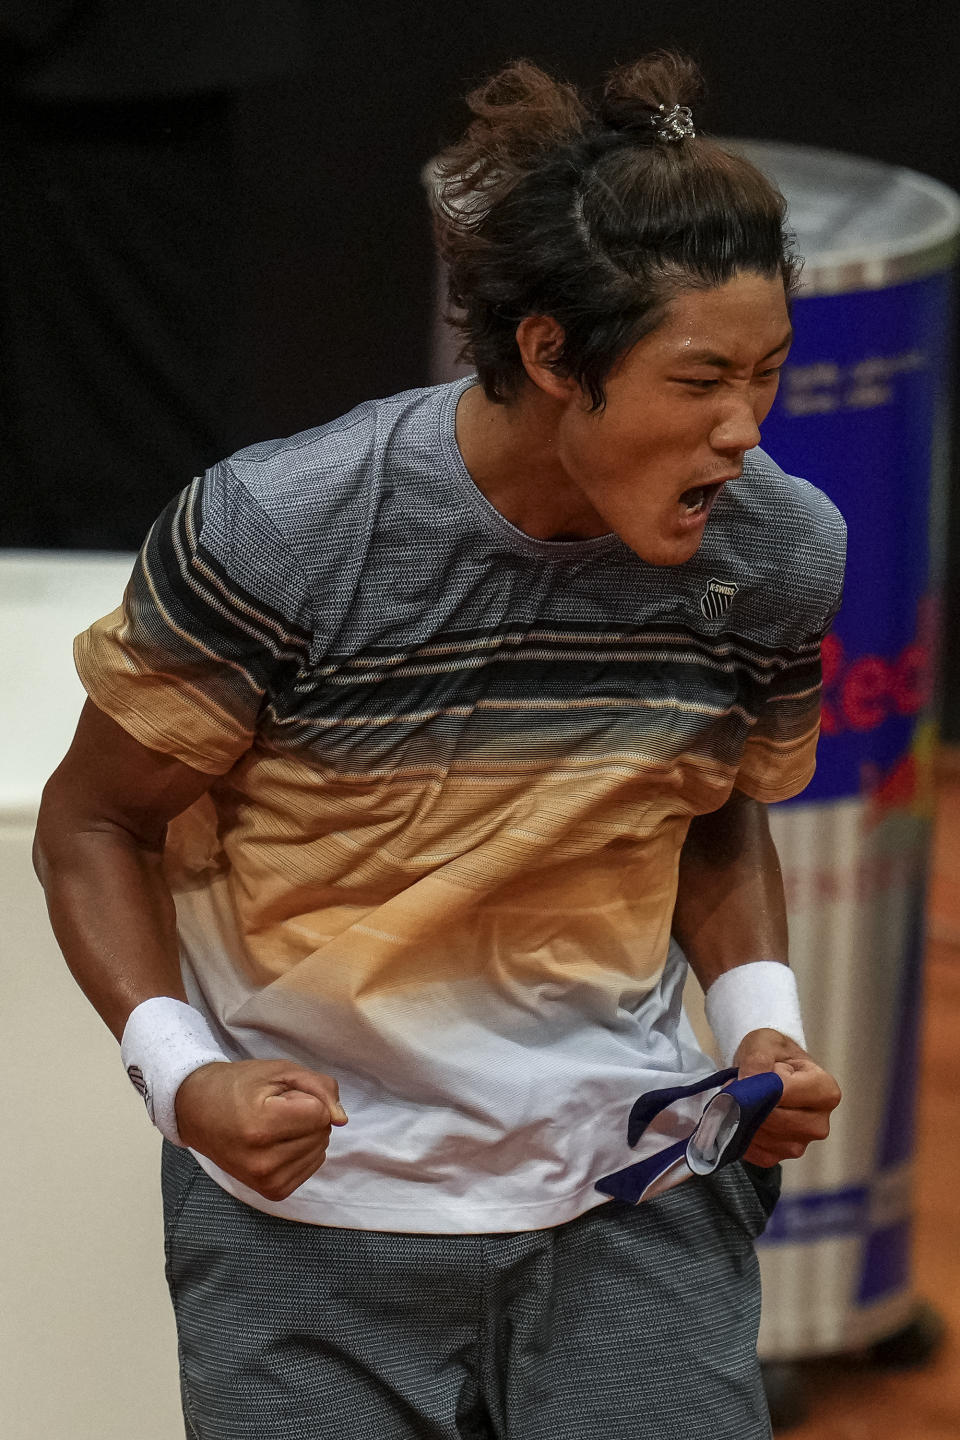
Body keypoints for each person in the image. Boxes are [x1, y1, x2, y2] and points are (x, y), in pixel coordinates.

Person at [34, 51, 844, 1440]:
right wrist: (185, 1076)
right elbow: (92, 823)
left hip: (631, 1192)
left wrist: (763, 1015)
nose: (740, 432)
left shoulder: (775, 553)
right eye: (700, 379)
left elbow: (705, 807)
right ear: (550, 354)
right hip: (311, 1220)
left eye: (767, 377)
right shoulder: (282, 533)